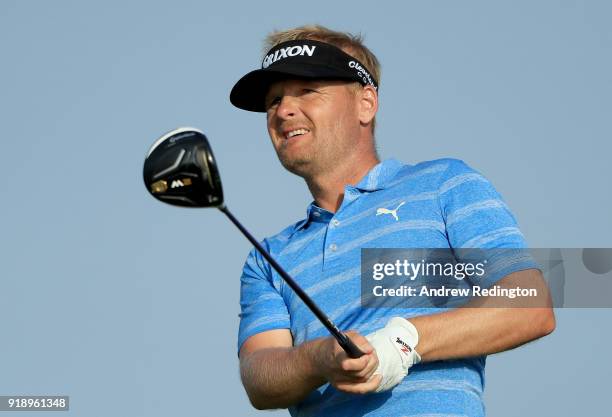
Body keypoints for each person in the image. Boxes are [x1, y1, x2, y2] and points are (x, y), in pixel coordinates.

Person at [229, 25, 555, 417]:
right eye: (274, 100)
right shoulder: (268, 258)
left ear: (366, 103)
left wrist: (403, 341)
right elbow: (260, 379)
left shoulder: (443, 184)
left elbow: (531, 304)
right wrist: (320, 358)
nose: (283, 110)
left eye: (307, 91)